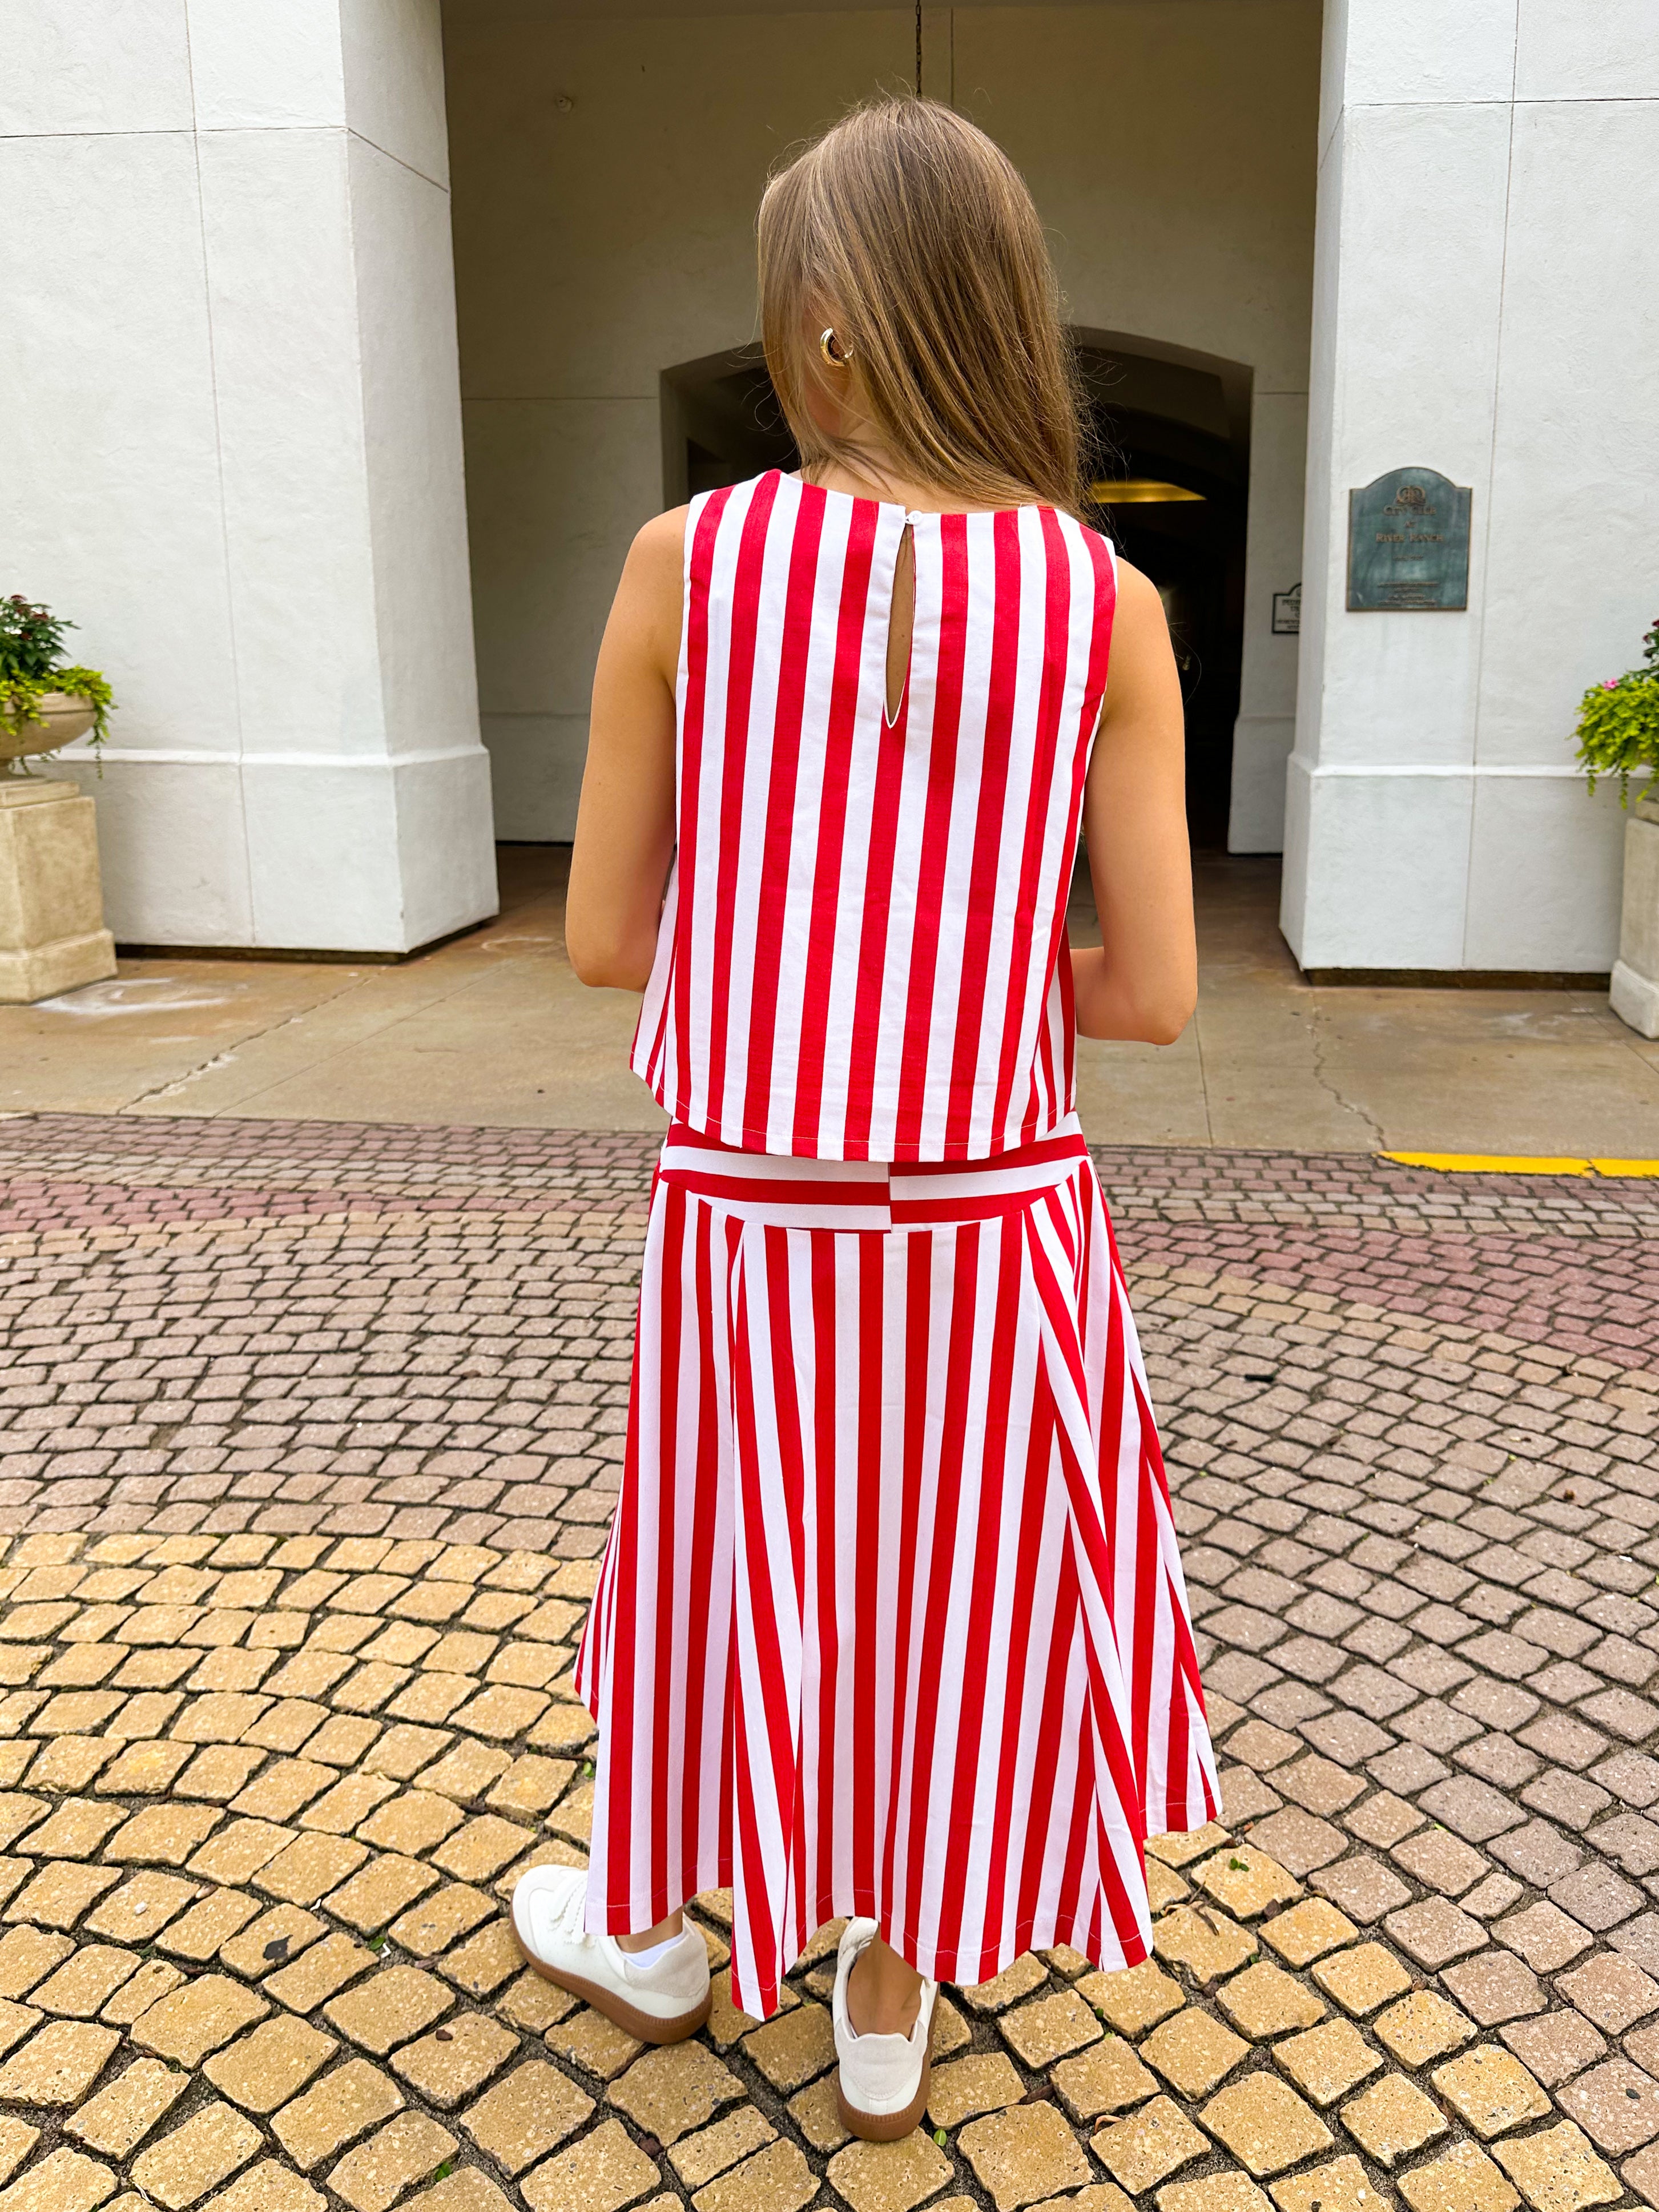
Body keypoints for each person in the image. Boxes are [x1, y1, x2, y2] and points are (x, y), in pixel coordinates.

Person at [510, 93, 1218, 2144]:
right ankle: (889, 1990)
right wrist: (960, 987)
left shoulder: (687, 563)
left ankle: (661, 1929)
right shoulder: (1101, 601)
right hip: (996, 1212)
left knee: (735, 1556)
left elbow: (600, 938)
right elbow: (1156, 991)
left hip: (756, 1211)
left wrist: (796, 974)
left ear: (823, 322)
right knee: (954, 1584)